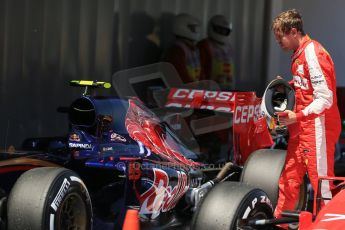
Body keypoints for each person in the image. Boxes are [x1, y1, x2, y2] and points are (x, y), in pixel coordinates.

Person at [271, 9, 341, 222]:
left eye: (280, 37)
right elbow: (309, 87)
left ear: (293, 32)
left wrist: (298, 116)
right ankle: (281, 224)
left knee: (321, 185)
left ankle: (329, 225)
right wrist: (288, 86)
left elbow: (325, 98)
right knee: (289, 179)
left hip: (318, 128)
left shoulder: (313, 53)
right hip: (302, 128)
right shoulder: (300, 54)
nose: (278, 42)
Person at [162, 13, 204, 83]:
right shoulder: (176, 50)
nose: (196, 31)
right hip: (183, 90)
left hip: (193, 90)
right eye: (193, 28)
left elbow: (201, 73)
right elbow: (180, 76)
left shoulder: (194, 49)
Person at [198, 15, 234, 90]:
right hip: (209, 90)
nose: (222, 33)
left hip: (227, 88)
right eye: (219, 30)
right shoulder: (204, 45)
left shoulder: (228, 47)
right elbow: (200, 70)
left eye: (225, 31)